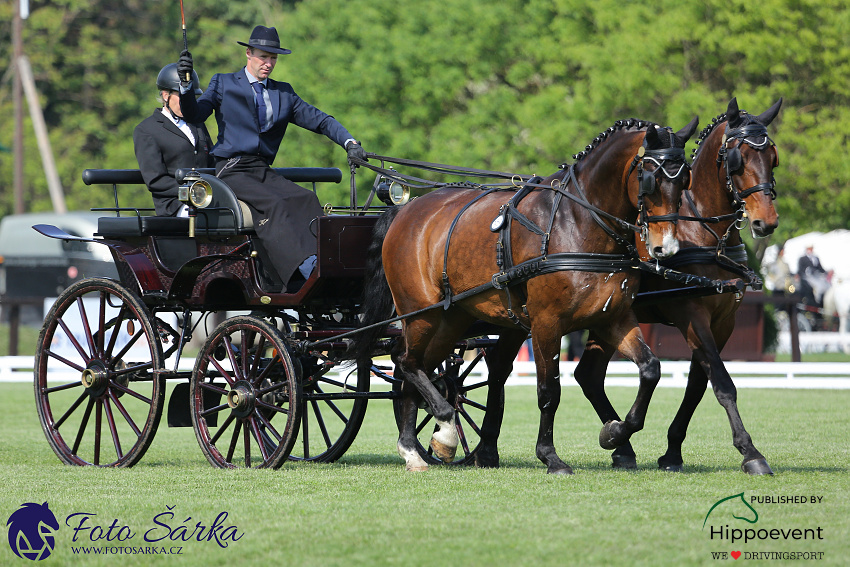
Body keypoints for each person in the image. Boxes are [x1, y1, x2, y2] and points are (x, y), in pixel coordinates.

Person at [176, 25, 367, 289]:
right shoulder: (224, 83)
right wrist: (186, 86)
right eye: (263, 57)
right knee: (276, 204)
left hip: (261, 169)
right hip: (231, 169)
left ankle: (322, 262)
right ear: (249, 54)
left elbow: (321, 121)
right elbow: (195, 115)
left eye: (273, 58)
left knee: (305, 197)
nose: (268, 63)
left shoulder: (283, 93)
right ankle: (300, 271)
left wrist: (350, 142)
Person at [133, 63, 214, 217]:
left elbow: (212, 162)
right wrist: (192, 191)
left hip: (207, 197)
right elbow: (155, 180)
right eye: (182, 95)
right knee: (204, 216)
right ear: (165, 95)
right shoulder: (147, 130)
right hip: (175, 204)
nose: (188, 101)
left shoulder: (197, 124)